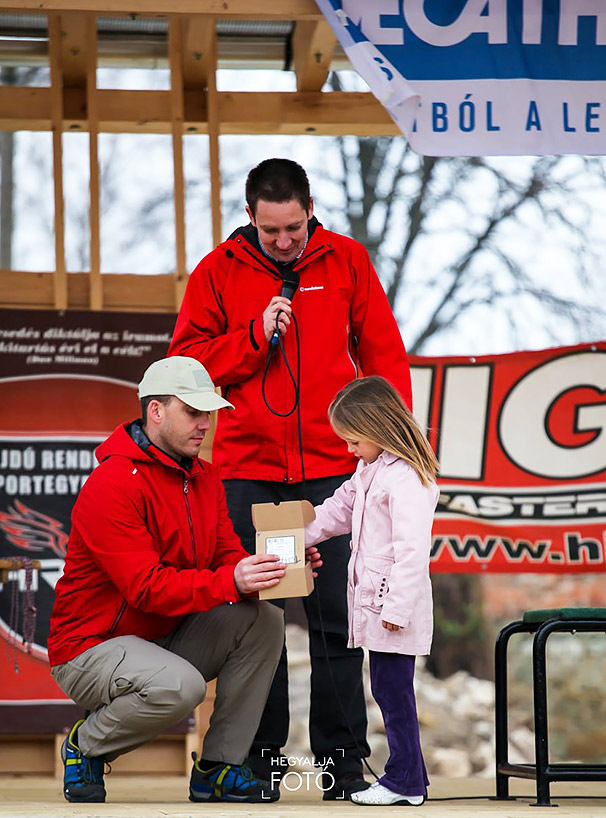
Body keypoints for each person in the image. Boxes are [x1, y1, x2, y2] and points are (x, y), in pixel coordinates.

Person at [168, 158, 412, 799]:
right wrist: (252, 336)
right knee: (259, 621)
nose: (285, 241)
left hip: (334, 469)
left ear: (310, 210)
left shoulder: (347, 260)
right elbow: (186, 367)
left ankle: (343, 766)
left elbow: (383, 353)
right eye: (272, 230)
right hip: (249, 475)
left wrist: (395, 442)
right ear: (251, 217)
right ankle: (257, 763)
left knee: (339, 618)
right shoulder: (217, 272)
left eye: (295, 228)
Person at [47, 356, 292, 805]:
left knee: (265, 620)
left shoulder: (204, 476)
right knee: (182, 686)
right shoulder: (112, 483)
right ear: (156, 411)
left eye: (209, 413)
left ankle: (218, 769)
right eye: (193, 412)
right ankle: (87, 744)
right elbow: (145, 588)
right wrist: (231, 581)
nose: (205, 424)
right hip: (90, 647)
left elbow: (225, 555)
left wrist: (269, 569)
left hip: (163, 636)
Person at [304, 376, 439, 806]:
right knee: (387, 690)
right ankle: (411, 776)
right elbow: (337, 509)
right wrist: (295, 537)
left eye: (353, 440)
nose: (349, 450)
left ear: (377, 428)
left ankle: (405, 782)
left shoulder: (408, 479)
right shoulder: (369, 470)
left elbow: (413, 551)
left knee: (393, 693)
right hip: (376, 607)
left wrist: (397, 608)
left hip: (393, 610)